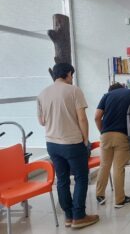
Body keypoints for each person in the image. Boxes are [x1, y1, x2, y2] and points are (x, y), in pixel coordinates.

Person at [37, 63, 99, 229]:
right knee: (80, 178)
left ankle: (68, 216)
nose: (72, 78)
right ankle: (79, 215)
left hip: (52, 143)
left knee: (62, 180)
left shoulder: (43, 93)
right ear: (67, 74)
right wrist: (85, 139)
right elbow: (82, 118)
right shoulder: (73, 90)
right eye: (71, 74)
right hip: (72, 142)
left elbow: (41, 121)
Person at [94, 83, 130, 208]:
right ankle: (119, 200)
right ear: (122, 87)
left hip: (105, 135)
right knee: (118, 167)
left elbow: (97, 117)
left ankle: (99, 195)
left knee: (104, 165)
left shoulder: (106, 96)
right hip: (122, 135)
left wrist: (103, 131)